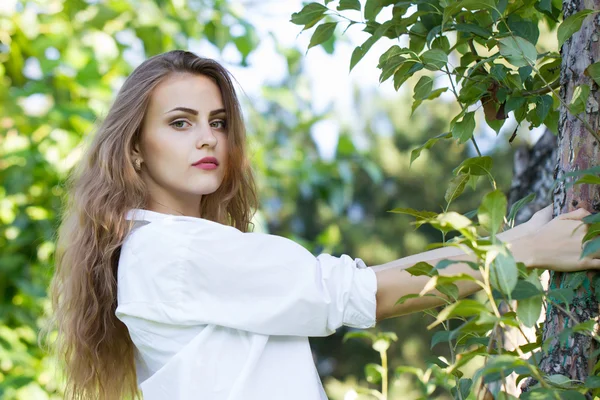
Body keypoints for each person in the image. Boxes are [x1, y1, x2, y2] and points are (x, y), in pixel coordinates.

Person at [43, 50, 600, 400]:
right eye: (180, 123)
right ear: (136, 151)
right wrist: (519, 247)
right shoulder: (175, 251)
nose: (208, 137)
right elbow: (361, 295)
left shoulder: (162, 251)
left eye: (217, 121)